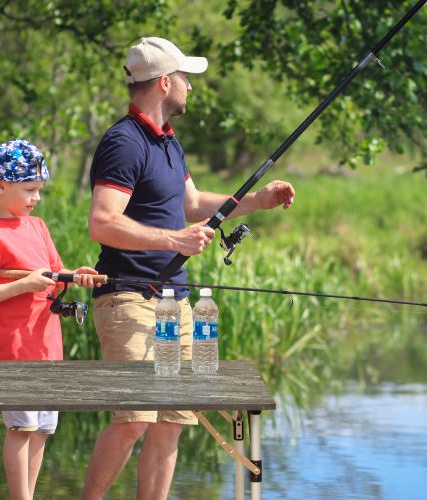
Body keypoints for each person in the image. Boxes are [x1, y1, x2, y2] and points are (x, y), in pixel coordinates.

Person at [83, 37, 296, 499]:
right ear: (164, 83)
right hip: (128, 299)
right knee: (133, 420)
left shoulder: (169, 143)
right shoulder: (124, 142)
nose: (190, 88)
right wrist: (174, 239)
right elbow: (102, 223)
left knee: (170, 424)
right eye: (185, 78)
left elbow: (194, 203)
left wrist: (257, 201)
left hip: (173, 304)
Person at [0, 139, 101, 500]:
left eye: (39, 189)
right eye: (30, 189)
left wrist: (75, 274)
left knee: (41, 428)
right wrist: (23, 285)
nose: (36, 197)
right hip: (15, 349)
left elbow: (54, 272)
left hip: (47, 346)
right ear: (0, 186)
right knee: (21, 428)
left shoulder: (37, 227)